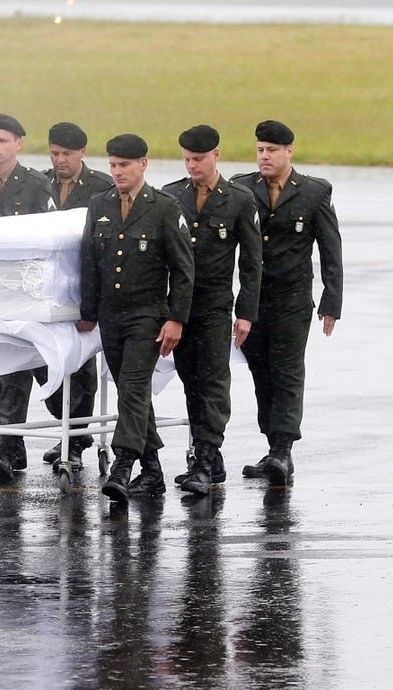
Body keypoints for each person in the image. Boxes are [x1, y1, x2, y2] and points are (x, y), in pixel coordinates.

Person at [78, 133, 194, 504]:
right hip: (112, 315)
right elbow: (89, 260)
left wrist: (176, 318)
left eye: (124, 165)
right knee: (134, 394)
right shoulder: (100, 204)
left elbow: (183, 269)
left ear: (143, 164)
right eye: (112, 165)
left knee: (131, 386)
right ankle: (154, 470)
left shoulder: (163, 206)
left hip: (147, 315)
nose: (117, 172)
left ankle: (123, 464)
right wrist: (88, 311)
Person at [231, 120, 342, 486]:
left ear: (289, 151)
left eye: (272, 150)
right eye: (260, 149)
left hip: (293, 298)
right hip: (253, 299)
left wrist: (332, 298)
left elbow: (330, 248)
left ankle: (283, 449)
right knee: (260, 370)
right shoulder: (242, 188)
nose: (264, 156)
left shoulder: (313, 192)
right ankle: (273, 445)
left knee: (287, 369)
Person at [159, 125, 262, 496]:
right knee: (191, 380)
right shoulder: (171, 198)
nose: (192, 166)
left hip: (216, 305)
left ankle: (204, 458)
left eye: (198, 159)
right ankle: (209, 456)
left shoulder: (238, 199)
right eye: (187, 159)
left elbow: (252, 262)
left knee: (214, 382)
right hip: (181, 307)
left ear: (216, 155)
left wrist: (246, 312)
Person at [0, 113, 55, 480]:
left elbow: (48, 237)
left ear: (19, 143)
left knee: (16, 365)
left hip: (24, 291)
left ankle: (6, 445)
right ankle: (13, 447)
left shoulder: (35, 185)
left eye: (2, 141)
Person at [34, 122, 115, 469]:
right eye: (54, 153)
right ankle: (72, 430)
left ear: (82, 152)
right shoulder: (39, 184)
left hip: (85, 288)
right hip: (46, 290)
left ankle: (76, 443)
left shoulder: (100, 187)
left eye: (66, 153)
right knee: (43, 360)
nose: (59, 160)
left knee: (81, 365)